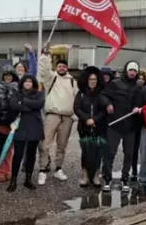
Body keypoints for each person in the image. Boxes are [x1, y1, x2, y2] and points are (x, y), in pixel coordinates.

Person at [36, 44, 78, 185]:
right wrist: (45, 55)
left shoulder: (72, 81)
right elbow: (43, 70)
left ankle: (58, 168)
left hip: (67, 118)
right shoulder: (51, 78)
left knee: (62, 145)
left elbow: (77, 100)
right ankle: (42, 170)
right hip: (52, 115)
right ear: (56, 67)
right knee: (45, 144)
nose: (61, 68)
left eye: (64, 67)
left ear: (67, 68)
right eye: (59, 66)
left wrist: (75, 116)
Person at [102, 61, 143, 193]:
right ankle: (107, 178)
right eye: (130, 70)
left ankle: (125, 178)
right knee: (110, 153)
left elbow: (139, 102)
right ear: (126, 70)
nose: (132, 73)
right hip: (115, 125)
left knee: (129, 154)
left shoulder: (138, 87)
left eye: (135, 71)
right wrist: (108, 104)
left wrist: (137, 108)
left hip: (130, 127)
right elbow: (103, 95)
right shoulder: (115, 84)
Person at [7, 74, 45, 192]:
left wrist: (23, 102)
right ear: (22, 83)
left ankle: (28, 179)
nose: (28, 83)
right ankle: (13, 180)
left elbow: (39, 104)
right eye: (25, 81)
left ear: (33, 83)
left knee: (31, 154)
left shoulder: (38, 93)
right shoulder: (17, 93)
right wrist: (29, 106)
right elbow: (13, 105)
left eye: (30, 81)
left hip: (34, 126)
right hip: (21, 127)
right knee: (18, 154)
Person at [73, 66, 109, 187]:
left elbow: (104, 110)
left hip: (99, 127)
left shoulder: (101, 93)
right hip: (84, 127)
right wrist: (86, 119)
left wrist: (94, 119)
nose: (93, 81)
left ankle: (95, 175)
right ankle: (84, 174)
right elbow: (76, 107)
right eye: (90, 79)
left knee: (98, 151)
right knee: (86, 151)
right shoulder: (81, 93)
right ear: (86, 80)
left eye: (94, 79)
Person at [0, 70, 19, 182]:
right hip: (0, 122)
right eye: (6, 75)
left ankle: (7, 169)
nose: (8, 77)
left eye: (10, 75)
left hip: (13, 122)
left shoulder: (18, 89)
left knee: (9, 148)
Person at [129, 68, 146, 181]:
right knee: (134, 148)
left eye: (143, 78)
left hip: (144, 122)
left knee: (144, 149)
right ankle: (134, 169)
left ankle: (143, 173)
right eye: (139, 78)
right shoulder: (133, 88)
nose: (141, 80)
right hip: (134, 122)